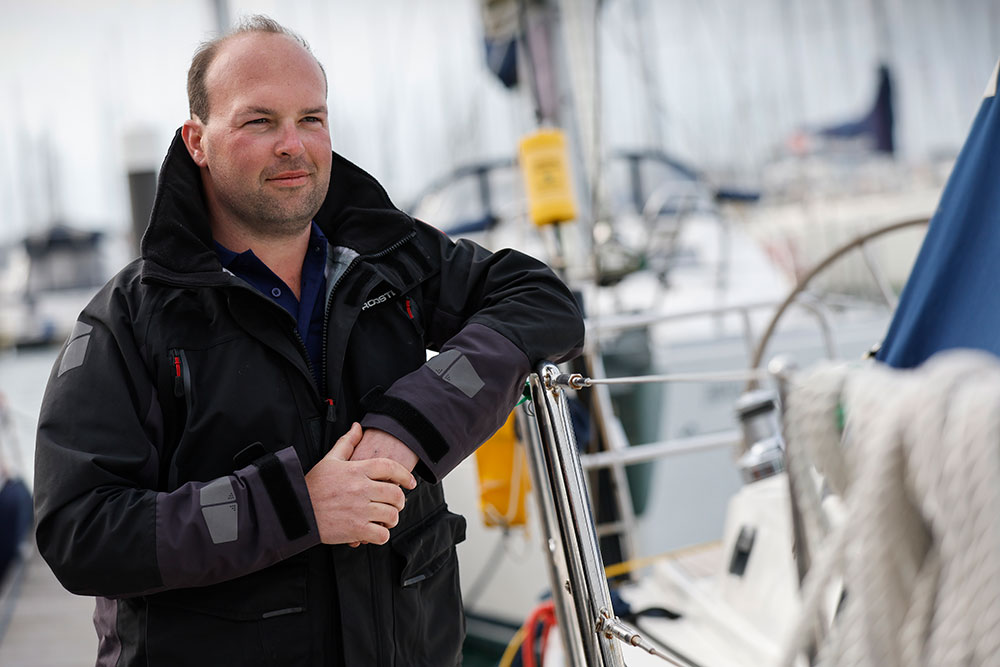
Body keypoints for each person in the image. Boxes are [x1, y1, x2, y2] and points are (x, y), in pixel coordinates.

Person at [33, 15, 584, 667]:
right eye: (258, 121)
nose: (292, 144)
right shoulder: (127, 322)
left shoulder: (391, 258)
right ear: (197, 140)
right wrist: (294, 505)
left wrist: (410, 426)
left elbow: (542, 300)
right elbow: (81, 531)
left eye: (312, 119)